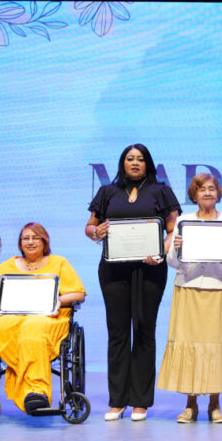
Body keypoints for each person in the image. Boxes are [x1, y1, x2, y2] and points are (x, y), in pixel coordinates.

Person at [86, 144, 181, 421]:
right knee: (117, 333)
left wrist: (163, 249)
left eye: (140, 159)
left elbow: (173, 228)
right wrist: (96, 231)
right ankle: (117, 400)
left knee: (143, 330)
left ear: (148, 163)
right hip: (113, 270)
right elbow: (90, 226)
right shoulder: (107, 192)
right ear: (122, 163)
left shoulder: (161, 190)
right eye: (130, 159)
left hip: (150, 269)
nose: (135, 163)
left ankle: (140, 401)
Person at [158, 173, 222, 423]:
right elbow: (173, 262)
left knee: (216, 346)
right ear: (194, 195)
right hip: (188, 287)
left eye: (211, 189)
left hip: (218, 288)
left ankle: (215, 405)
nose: (207, 193)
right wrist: (175, 246)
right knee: (190, 345)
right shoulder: (184, 221)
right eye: (202, 190)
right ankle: (190, 405)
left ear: (218, 193)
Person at [0, 223, 86, 413]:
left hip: (47, 317)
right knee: (18, 327)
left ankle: (36, 391)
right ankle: (33, 391)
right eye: (25, 238)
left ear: (45, 241)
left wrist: (58, 300)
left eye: (36, 237)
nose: (30, 242)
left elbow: (78, 294)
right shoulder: (9, 265)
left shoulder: (59, 263)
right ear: (20, 243)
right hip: (9, 318)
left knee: (32, 327)